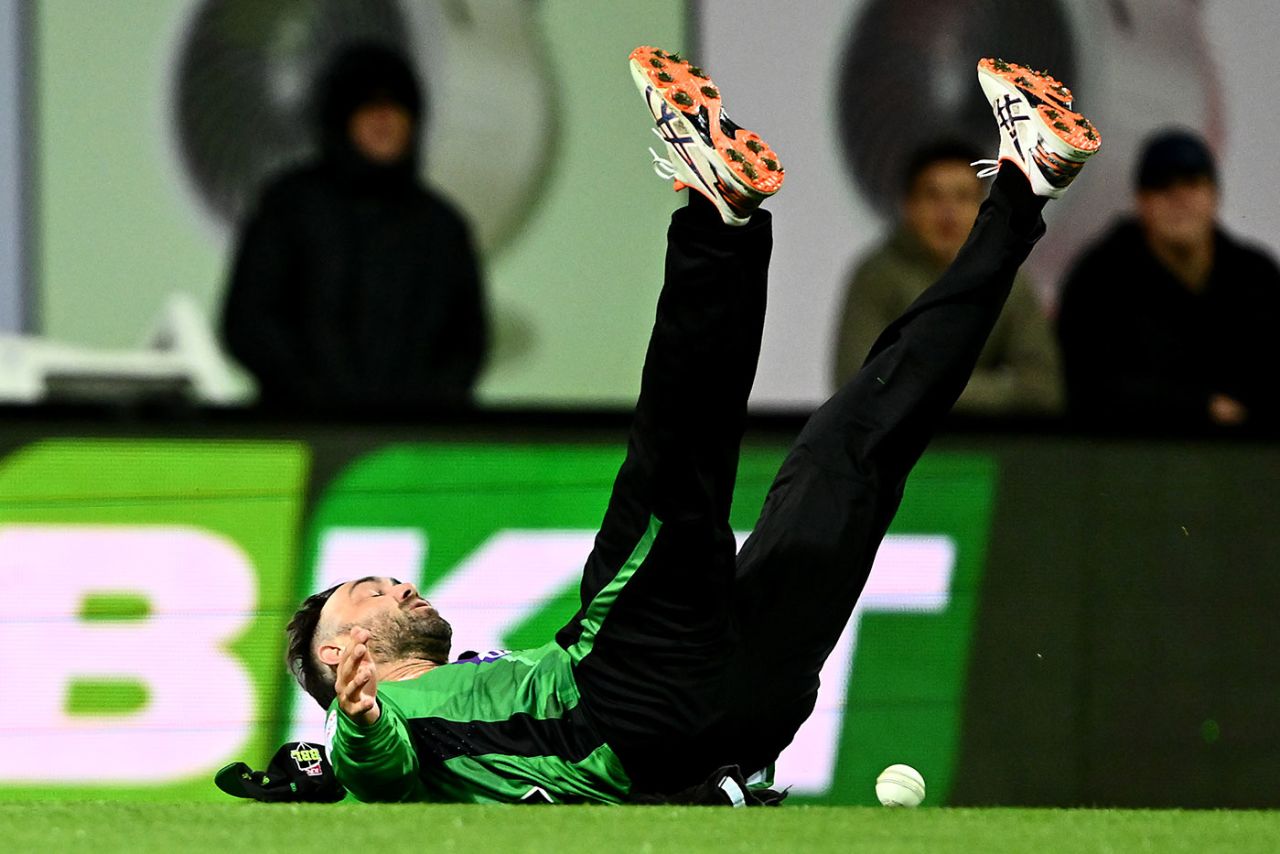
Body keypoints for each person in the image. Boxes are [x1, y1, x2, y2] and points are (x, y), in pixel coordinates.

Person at [283, 50, 1098, 805]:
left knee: (856, 446)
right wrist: (356, 720)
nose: (398, 586)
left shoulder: (467, 703)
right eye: (369, 594)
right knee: (672, 465)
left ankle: (1024, 187)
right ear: (336, 654)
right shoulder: (385, 721)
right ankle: (716, 216)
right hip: (632, 698)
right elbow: (370, 764)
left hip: (739, 711)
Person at [222, 43, 487, 413]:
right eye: (367, 106)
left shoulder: (442, 227)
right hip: (302, 427)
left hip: (412, 437)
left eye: (396, 106)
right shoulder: (291, 207)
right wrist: (314, 399)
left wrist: (421, 410)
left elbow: (466, 343)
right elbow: (250, 323)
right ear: (340, 118)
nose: (383, 120)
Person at [1056, 129, 1280, 430]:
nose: (1179, 199)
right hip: (1135, 447)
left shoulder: (1255, 277)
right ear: (1141, 201)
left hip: (1248, 450)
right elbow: (1088, 385)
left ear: (1214, 195)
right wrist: (1201, 408)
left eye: (1191, 183)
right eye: (1162, 187)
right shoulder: (1099, 280)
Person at [833, 140, 1063, 417]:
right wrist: (999, 390)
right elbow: (856, 383)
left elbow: (1042, 391)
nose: (948, 212)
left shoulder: (1008, 279)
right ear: (908, 206)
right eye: (933, 196)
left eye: (963, 197)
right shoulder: (877, 277)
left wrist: (916, 385)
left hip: (983, 438)